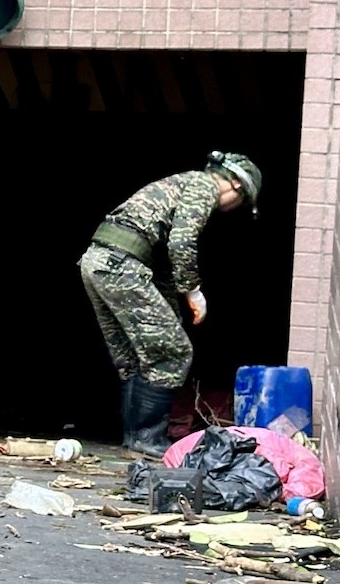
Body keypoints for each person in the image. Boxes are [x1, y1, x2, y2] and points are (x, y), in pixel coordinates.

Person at [79, 151, 261, 454]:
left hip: (98, 261)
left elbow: (159, 259)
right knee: (174, 353)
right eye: (240, 204)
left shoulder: (182, 184)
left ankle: (135, 438)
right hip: (120, 264)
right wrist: (193, 290)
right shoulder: (205, 186)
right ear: (238, 187)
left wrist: (174, 311)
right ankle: (149, 438)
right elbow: (181, 241)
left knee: (136, 359)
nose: (231, 209)